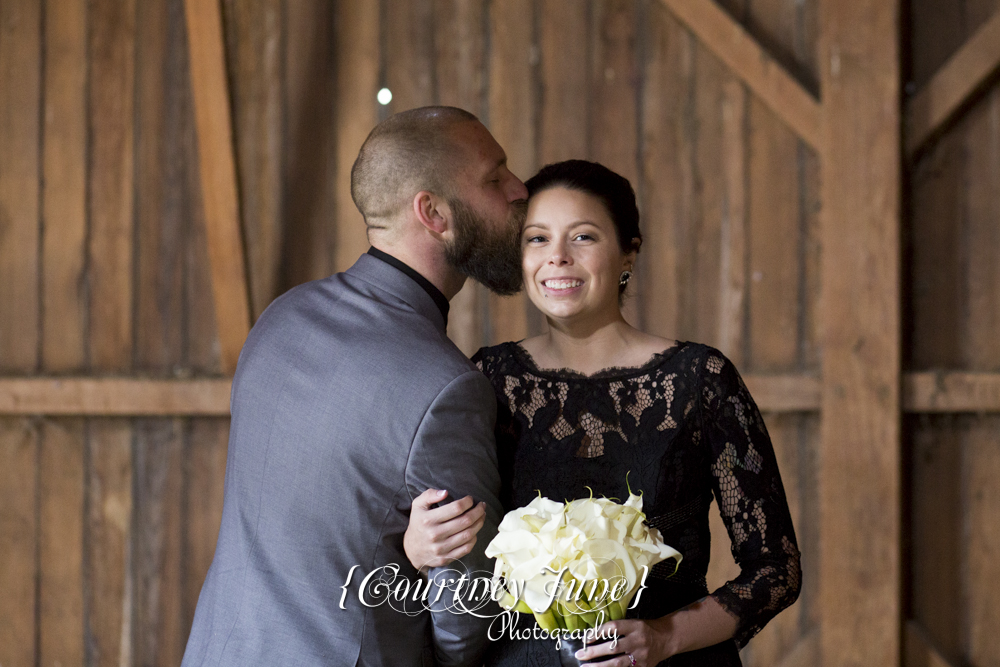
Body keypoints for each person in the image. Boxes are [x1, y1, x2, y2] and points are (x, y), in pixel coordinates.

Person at [404, 160, 802, 666]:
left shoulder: (700, 379)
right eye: (537, 239)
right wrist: (419, 547)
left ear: (628, 252)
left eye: (584, 237)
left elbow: (775, 569)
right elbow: (460, 536)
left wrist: (664, 637)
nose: (558, 258)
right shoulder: (488, 378)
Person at [182, 106, 528, 667]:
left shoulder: (279, 318)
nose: (519, 190)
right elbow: (468, 619)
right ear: (433, 212)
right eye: (496, 177)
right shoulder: (446, 389)